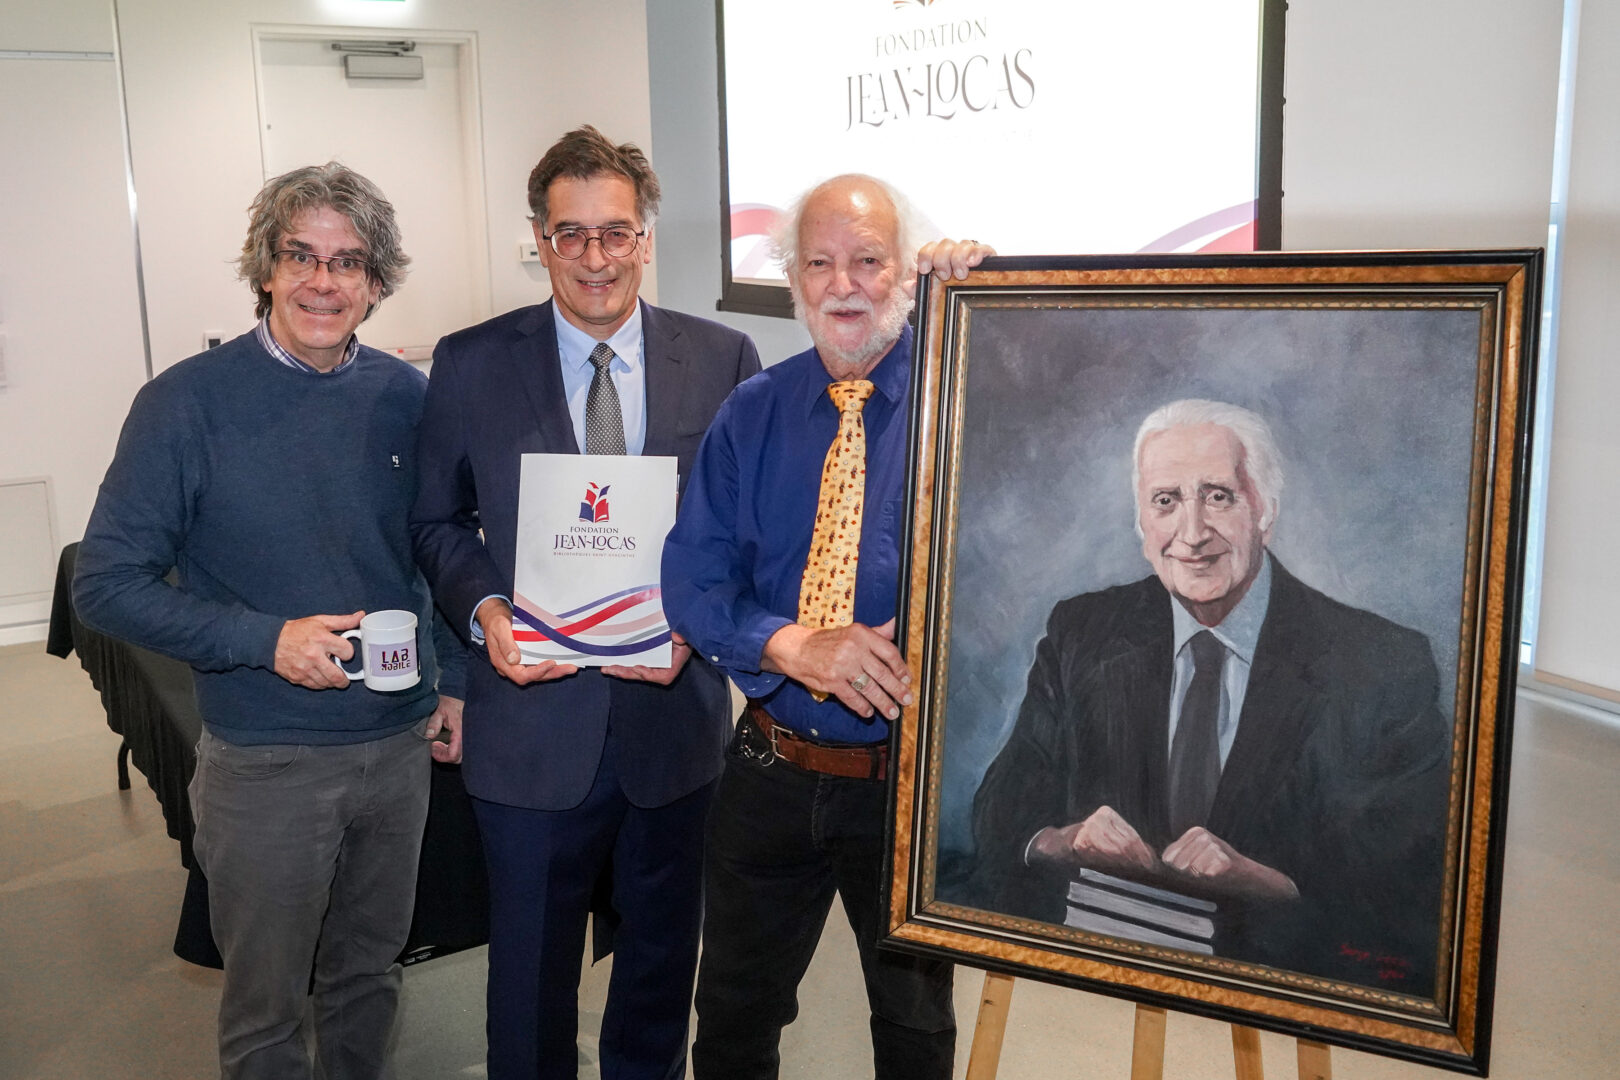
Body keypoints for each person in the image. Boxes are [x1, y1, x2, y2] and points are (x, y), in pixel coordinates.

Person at [73, 162, 464, 1079]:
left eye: (349, 263)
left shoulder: (408, 396)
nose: (323, 282)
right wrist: (267, 640)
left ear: (377, 282)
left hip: (398, 747)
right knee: (266, 1008)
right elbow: (106, 584)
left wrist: (459, 681)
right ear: (266, 267)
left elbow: (433, 552)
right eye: (301, 257)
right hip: (267, 762)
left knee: (370, 976)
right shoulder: (184, 404)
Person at [409, 126, 760, 1080]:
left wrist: (695, 621)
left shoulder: (725, 359)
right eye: (571, 235)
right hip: (530, 721)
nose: (596, 259)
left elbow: (743, 533)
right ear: (540, 237)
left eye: (616, 233)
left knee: (656, 979)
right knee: (526, 993)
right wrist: (485, 615)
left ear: (646, 237)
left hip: (671, 721)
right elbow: (437, 523)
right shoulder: (473, 362)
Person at [661, 173, 990, 1079]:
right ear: (793, 280)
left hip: (906, 790)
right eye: (819, 263)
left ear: (905, 273)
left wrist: (998, 305)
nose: (843, 285)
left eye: (870, 261)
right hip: (769, 767)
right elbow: (691, 577)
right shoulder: (754, 413)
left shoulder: (969, 391)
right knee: (731, 1017)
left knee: (913, 1027)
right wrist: (790, 644)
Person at [969, 398, 1452, 992]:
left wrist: (1268, 881)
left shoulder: (1382, 665)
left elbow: (1410, 883)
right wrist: (1065, 839)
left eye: (1218, 496)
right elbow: (1000, 811)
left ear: (1266, 511)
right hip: (1104, 961)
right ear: (1141, 523)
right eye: (1166, 501)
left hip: (1275, 978)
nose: (1192, 534)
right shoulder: (1084, 632)